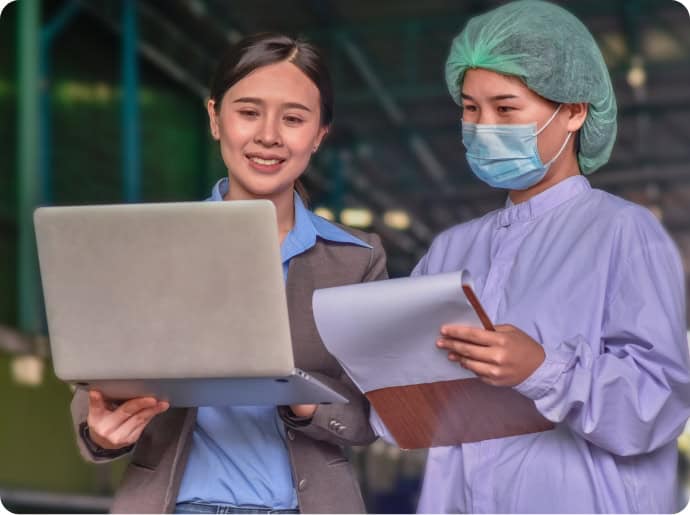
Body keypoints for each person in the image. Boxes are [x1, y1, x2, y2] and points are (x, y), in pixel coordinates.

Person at [371, 1, 690, 512]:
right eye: (471, 109)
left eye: (506, 108)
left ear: (574, 112)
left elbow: (658, 404)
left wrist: (543, 369)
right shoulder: (451, 249)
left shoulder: (623, 232)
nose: (483, 127)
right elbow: (402, 416)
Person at [70, 33, 387, 514]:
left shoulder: (356, 260)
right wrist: (100, 432)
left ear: (320, 134)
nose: (268, 136)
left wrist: (302, 398)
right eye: (248, 112)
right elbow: (95, 381)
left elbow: (374, 415)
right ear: (215, 118)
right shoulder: (149, 247)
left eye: (295, 119)